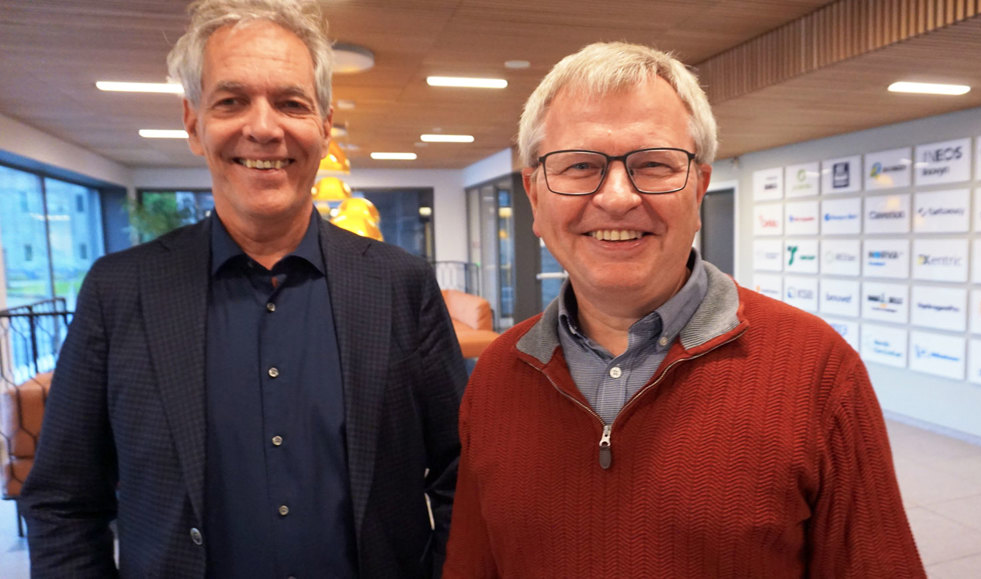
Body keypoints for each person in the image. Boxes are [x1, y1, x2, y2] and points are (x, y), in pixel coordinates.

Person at [443, 42, 925, 577]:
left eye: (653, 164)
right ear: (535, 197)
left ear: (699, 186)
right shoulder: (496, 376)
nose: (618, 197)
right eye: (580, 165)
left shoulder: (818, 370)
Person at [20, 0, 465, 577]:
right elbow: (63, 501)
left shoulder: (401, 285)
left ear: (323, 126)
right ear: (193, 124)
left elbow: (464, 473)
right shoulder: (119, 290)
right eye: (231, 101)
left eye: (290, 102)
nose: (263, 127)